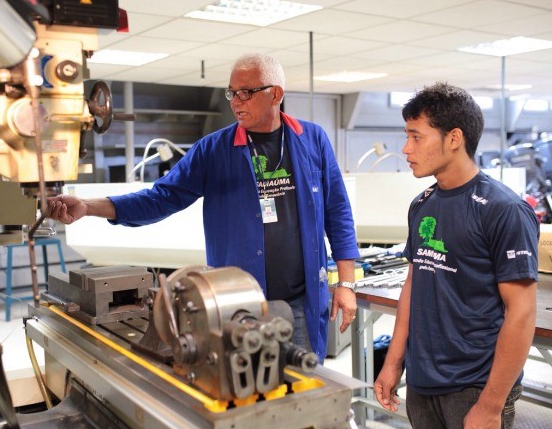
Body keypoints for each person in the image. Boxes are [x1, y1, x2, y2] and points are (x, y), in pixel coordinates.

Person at [47, 53, 359, 361]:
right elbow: (160, 198)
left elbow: (337, 212)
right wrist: (88, 206)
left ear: (275, 93)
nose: (236, 101)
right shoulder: (213, 150)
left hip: (301, 302)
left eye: (246, 93)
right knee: (245, 390)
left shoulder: (312, 139)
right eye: (231, 93)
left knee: (305, 389)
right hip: (239, 306)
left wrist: (346, 283)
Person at [373, 82, 539, 429]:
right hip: (422, 380)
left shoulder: (504, 210)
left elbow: (522, 313)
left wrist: (491, 405)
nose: (406, 149)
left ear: (454, 138)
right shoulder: (422, 204)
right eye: (406, 136)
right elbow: (413, 284)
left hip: (474, 385)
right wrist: (393, 362)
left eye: (416, 137)